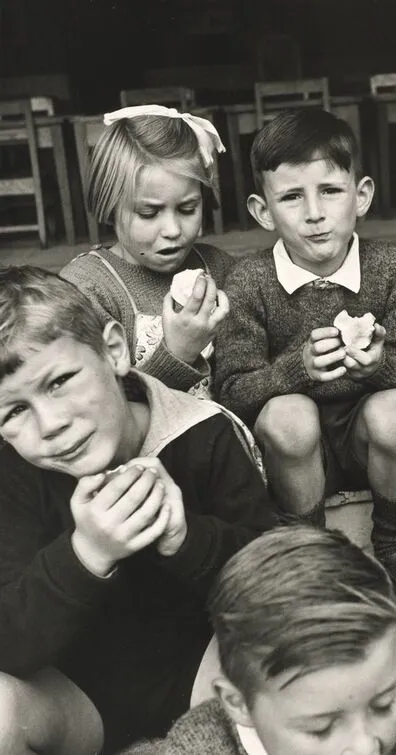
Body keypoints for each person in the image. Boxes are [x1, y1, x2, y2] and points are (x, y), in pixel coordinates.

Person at [0, 267, 275, 753]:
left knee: (287, 664)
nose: (51, 424)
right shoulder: (11, 476)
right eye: (13, 411)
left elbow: (273, 590)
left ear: (113, 350)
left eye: (59, 381)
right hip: (74, 695)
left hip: (203, 670)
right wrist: (84, 555)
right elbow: (10, 643)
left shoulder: (201, 435)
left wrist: (186, 539)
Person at [215, 108, 396, 622]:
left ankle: (392, 546)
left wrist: (377, 368)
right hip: (296, 451)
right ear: (262, 210)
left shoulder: (389, 268)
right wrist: (294, 372)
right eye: (292, 197)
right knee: (287, 413)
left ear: (360, 196)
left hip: (367, 437)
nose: (314, 213)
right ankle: (312, 554)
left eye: (330, 191)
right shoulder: (249, 281)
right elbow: (231, 391)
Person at [122, 525, 396, 755]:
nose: (366, 746)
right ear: (240, 704)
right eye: (321, 728)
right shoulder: (198, 748)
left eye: (384, 705)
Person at [60, 104, 233, 398]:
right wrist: (178, 353)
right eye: (149, 213)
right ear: (109, 206)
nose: (173, 230)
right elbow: (102, 404)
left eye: (188, 208)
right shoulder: (87, 288)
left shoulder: (217, 265)